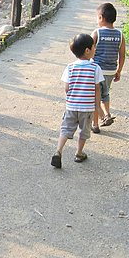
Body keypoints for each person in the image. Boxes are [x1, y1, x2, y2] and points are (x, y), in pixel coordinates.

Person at [51, 34, 104, 169]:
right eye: (94, 47)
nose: (95, 49)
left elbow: (67, 88)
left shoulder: (70, 67)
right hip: (86, 108)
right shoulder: (95, 68)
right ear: (87, 50)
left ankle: (58, 151)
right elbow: (97, 89)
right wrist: (98, 107)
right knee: (83, 132)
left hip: (71, 106)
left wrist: (72, 97)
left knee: (66, 129)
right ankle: (79, 153)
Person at [90, 2, 126, 134]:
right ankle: (107, 113)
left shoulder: (97, 33)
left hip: (97, 70)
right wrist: (119, 71)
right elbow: (122, 55)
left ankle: (96, 123)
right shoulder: (120, 35)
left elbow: (88, 51)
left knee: (94, 96)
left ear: (101, 18)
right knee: (105, 94)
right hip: (111, 70)